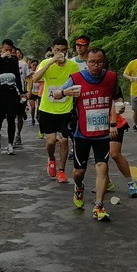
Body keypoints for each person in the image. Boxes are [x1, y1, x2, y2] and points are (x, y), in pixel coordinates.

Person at [50, 48, 117, 222]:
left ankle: (99, 206)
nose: (96, 65)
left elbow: (116, 99)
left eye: (99, 62)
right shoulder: (76, 79)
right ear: (85, 62)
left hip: (102, 133)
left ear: (104, 62)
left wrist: (115, 118)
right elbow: (54, 94)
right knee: (79, 172)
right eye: (92, 62)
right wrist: (65, 92)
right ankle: (79, 188)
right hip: (82, 134)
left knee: (102, 167)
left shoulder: (110, 78)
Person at [31, 37, 75, 183]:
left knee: (63, 140)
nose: (60, 53)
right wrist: (51, 62)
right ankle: (51, 159)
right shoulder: (45, 63)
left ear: (67, 51)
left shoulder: (72, 66)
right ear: (52, 50)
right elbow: (35, 79)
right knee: (50, 142)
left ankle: (61, 171)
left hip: (65, 109)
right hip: (47, 109)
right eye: (57, 50)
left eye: (63, 50)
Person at [0, 39, 23, 154]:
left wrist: (22, 91)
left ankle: (10, 143)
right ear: (1, 48)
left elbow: (17, 76)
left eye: (10, 50)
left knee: (11, 118)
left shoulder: (14, 59)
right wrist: (1, 58)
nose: (8, 52)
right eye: (6, 49)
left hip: (12, 92)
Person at [107, 99, 137, 198]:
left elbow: (118, 102)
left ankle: (131, 183)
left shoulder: (110, 85)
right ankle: (106, 183)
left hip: (115, 124)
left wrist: (120, 108)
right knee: (101, 157)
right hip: (97, 125)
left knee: (115, 154)